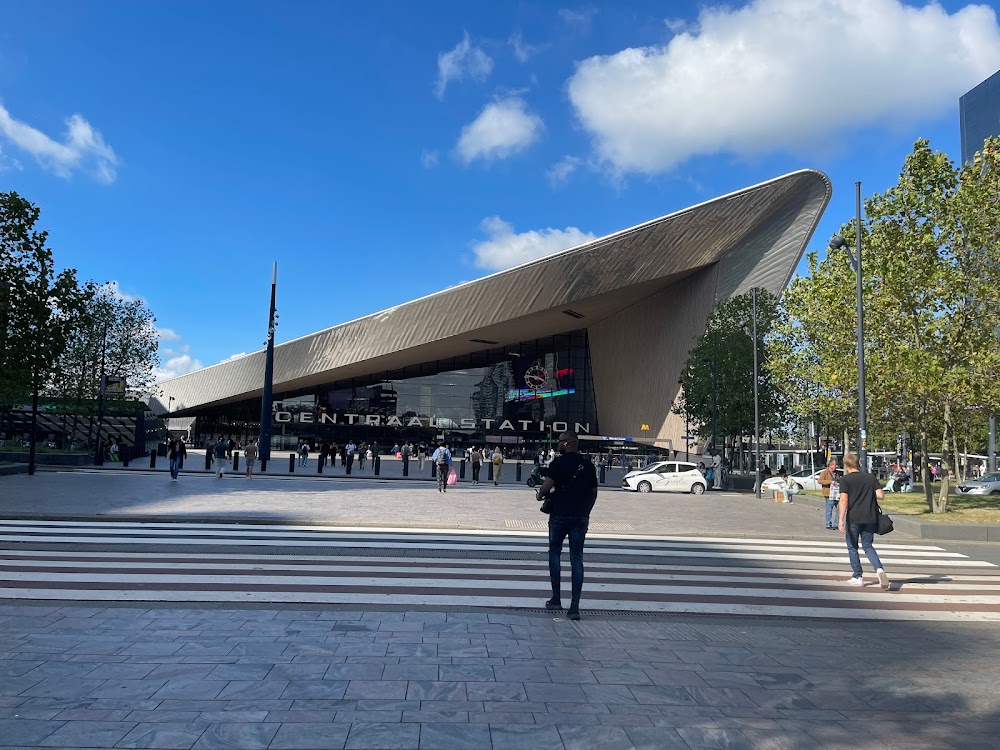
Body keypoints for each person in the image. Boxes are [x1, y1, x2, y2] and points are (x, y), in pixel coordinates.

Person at [535, 431, 599, 621]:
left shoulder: (558, 464)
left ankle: (556, 598)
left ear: (569, 443)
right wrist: (586, 511)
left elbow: (546, 487)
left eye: (560, 441)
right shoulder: (588, 465)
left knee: (554, 554)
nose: (558, 444)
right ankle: (574, 607)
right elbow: (594, 492)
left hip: (559, 516)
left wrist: (540, 495)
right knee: (576, 559)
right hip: (580, 517)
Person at [839, 453, 890, 590]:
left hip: (854, 517)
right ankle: (879, 569)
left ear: (847, 465)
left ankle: (858, 576)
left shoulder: (845, 480)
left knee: (852, 547)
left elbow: (844, 500)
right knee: (868, 545)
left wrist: (840, 520)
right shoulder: (870, 478)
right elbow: (881, 495)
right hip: (870, 517)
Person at [818, 459, 840, 530]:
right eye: (834, 465)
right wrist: (830, 482)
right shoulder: (824, 472)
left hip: (836, 494)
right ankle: (828, 524)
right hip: (828, 493)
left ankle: (836, 524)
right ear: (830, 465)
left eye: (836, 465)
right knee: (829, 509)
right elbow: (820, 481)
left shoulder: (837, 473)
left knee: (839, 509)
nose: (836, 466)